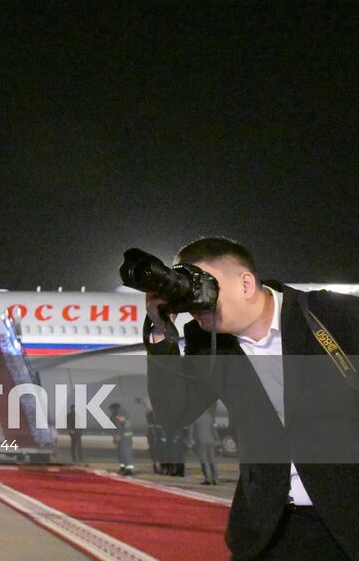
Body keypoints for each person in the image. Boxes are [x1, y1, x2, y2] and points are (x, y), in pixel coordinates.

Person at [139, 236, 359, 557]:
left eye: (204, 289)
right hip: (267, 529)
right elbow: (174, 414)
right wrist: (160, 332)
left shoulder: (332, 314)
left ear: (245, 284)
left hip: (346, 526)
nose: (198, 307)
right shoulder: (208, 342)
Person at [193, 406, 219, 486]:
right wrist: (217, 438)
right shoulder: (209, 416)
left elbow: (192, 430)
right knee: (212, 460)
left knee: (204, 461)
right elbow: (213, 429)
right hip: (211, 440)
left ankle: (208, 478)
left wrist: (191, 439)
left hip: (201, 441)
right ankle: (215, 478)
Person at [109, 403, 134, 476]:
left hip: (123, 437)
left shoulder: (118, 415)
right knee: (122, 453)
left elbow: (118, 427)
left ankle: (128, 470)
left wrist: (117, 437)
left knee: (125, 453)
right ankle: (124, 467)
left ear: (115, 409)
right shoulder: (124, 414)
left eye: (111, 409)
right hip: (126, 436)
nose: (111, 411)